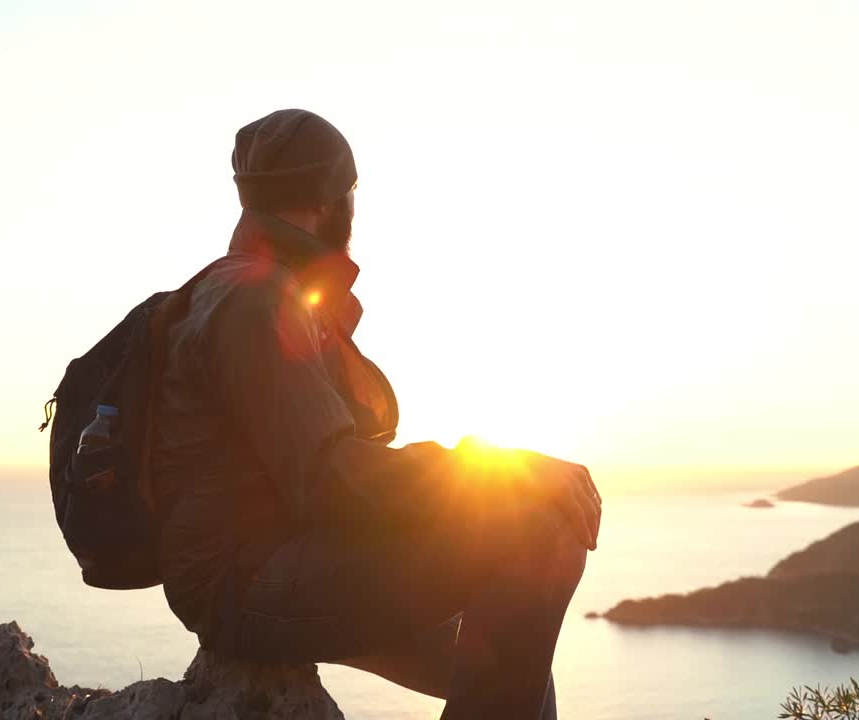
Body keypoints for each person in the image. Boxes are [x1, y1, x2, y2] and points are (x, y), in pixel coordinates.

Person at [149, 108, 602, 720]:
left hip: (279, 558)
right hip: (247, 583)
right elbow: (329, 473)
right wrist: (499, 471)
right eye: (350, 193)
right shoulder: (254, 300)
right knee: (542, 532)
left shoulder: (264, 291)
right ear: (330, 199)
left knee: (511, 664)